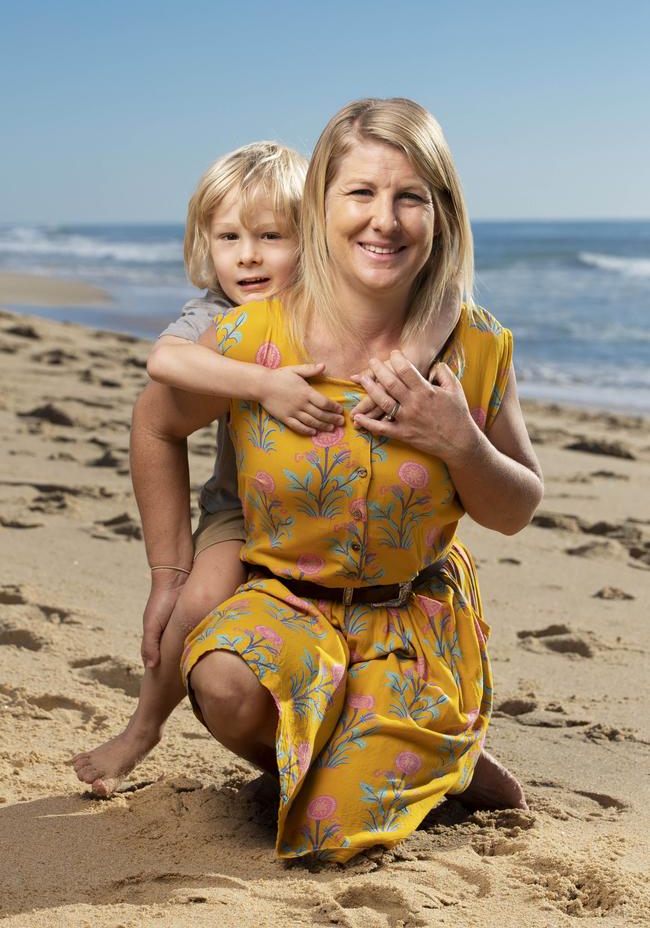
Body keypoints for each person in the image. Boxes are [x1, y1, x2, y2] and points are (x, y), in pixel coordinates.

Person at [128, 97, 544, 863]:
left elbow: (517, 506)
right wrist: (169, 570)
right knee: (221, 679)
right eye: (361, 193)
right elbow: (154, 423)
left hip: (407, 621)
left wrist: (461, 444)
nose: (383, 219)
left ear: (442, 214)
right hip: (287, 605)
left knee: (328, 839)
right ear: (320, 204)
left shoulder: (477, 346)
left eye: (409, 196)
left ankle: (409, 759)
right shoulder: (246, 338)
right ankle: (355, 758)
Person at [72, 138, 461, 795]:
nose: (247, 255)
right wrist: (264, 384)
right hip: (242, 515)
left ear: (313, 235)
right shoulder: (217, 315)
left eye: (271, 236)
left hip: (344, 534)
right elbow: (164, 365)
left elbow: (446, 293)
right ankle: (143, 727)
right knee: (194, 602)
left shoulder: (341, 302)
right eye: (227, 237)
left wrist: (416, 356)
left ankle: (418, 760)